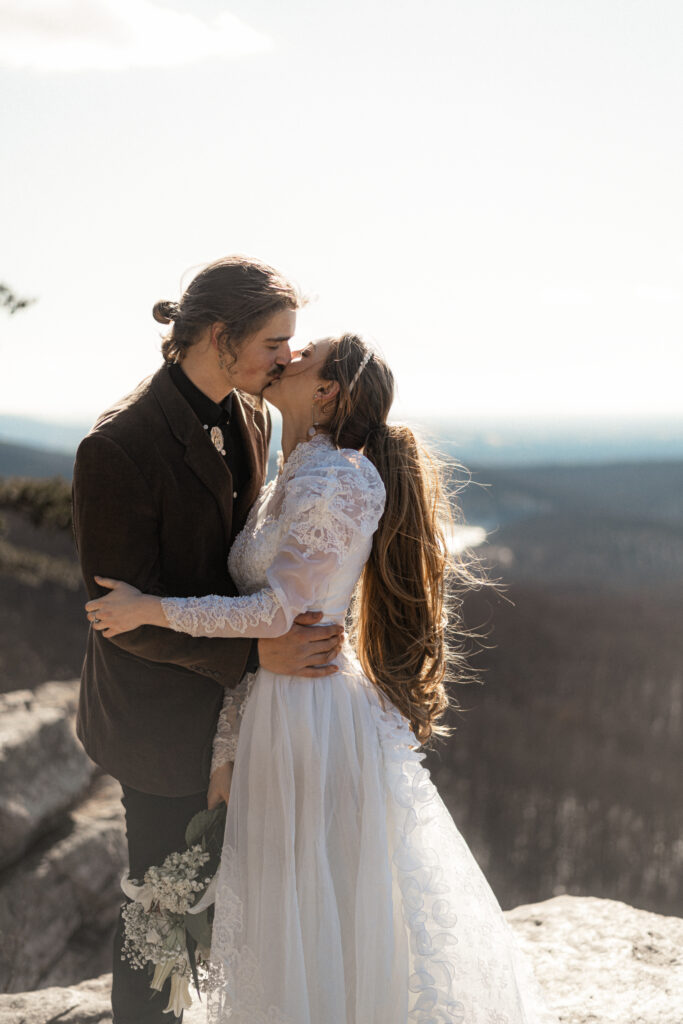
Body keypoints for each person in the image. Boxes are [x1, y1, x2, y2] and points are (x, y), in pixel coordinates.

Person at [85, 333, 554, 1024]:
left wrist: (149, 609)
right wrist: (226, 749)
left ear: (327, 391)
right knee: (285, 912)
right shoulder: (295, 469)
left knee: (311, 907)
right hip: (274, 707)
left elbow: (278, 612)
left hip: (310, 719)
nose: (287, 355)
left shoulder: (334, 476)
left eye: (304, 355)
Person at [71, 256, 346, 1024]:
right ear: (220, 336)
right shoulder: (118, 448)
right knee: (160, 913)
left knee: (230, 905)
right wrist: (257, 652)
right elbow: (118, 621)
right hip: (157, 722)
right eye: (274, 342)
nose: (288, 358)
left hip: (244, 714)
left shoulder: (254, 415)